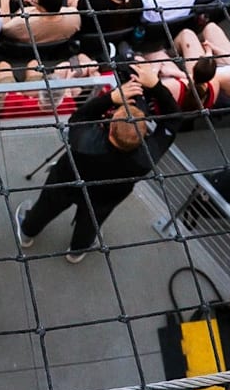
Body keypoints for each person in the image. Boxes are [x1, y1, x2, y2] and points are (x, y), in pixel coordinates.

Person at [15, 82, 163, 262]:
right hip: (105, 196)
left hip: (66, 181)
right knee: (91, 222)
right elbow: (174, 122)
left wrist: (110, 98)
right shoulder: (146, 158)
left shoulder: (84, 140)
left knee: (46, 207)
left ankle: (27, 233)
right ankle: (76, 251)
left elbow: (79, 117)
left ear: (110, 130)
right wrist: (156, 86)